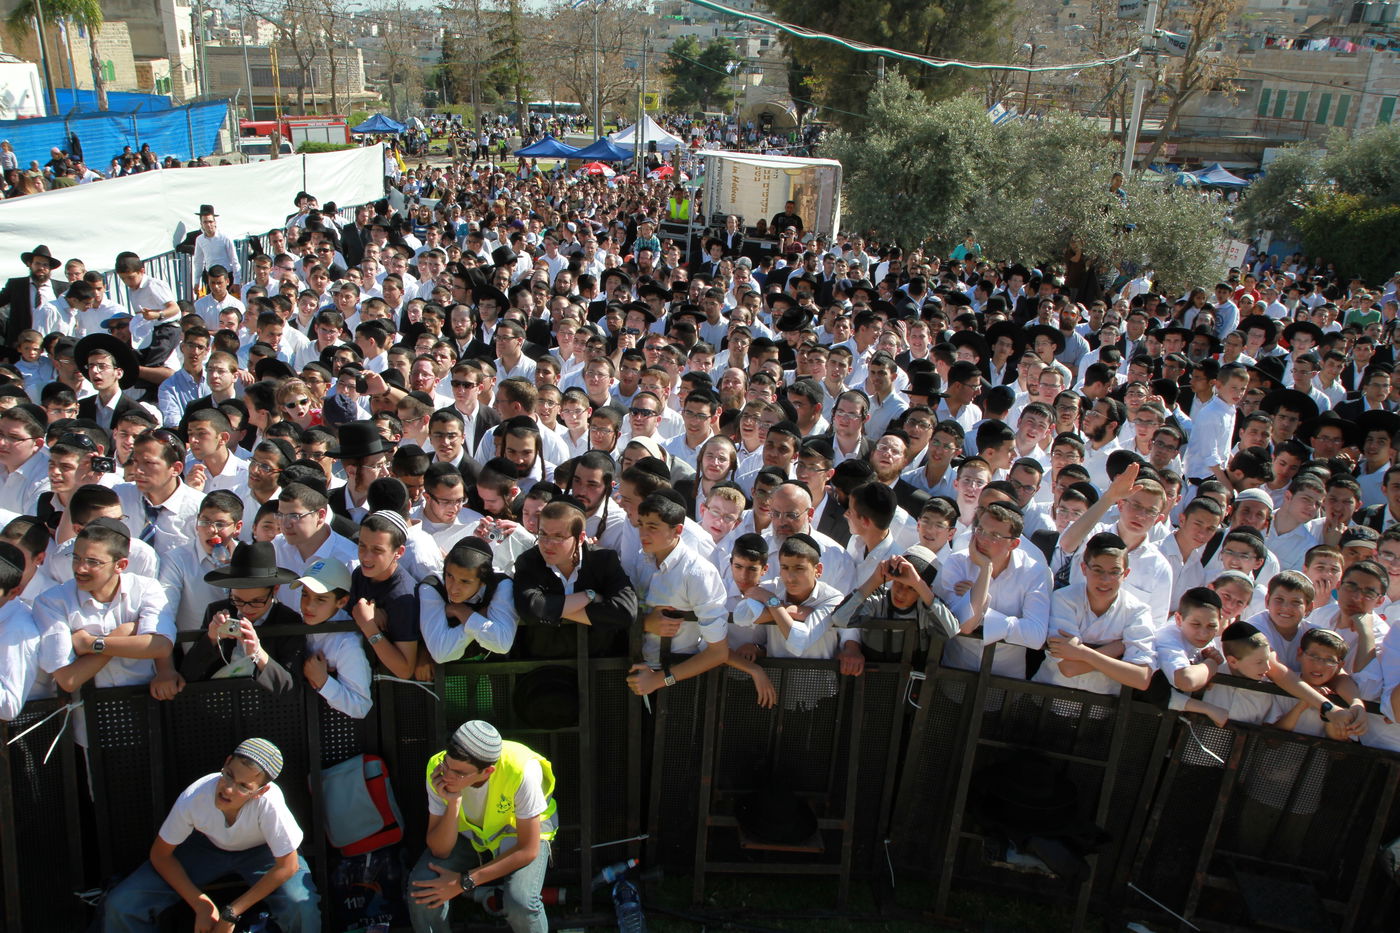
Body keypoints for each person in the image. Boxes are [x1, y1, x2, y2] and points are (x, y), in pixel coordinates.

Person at [101, 737, 320, 933]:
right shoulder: (195, 795)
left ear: (261, 792)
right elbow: (160, 855)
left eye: (244, 786)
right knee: (122, 903)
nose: (228, 790)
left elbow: (287, 866)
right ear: (225, 763)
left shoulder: (270, 803)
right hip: (204, 847)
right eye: (229, 776)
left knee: (302, 906)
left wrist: (231, 913)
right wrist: (201, 905)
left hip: (263, 852)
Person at [409, 720, 555, 933]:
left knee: (521, 903)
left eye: (459, 773)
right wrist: (453, 803)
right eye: (447, 765)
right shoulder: (437, 769)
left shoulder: (521, 769)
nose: (448, 776)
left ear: (487, 771)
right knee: (422, 889)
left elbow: (527, 849)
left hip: (519, 836)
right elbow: (440, 850)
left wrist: (463, 883)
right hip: (470, 837)